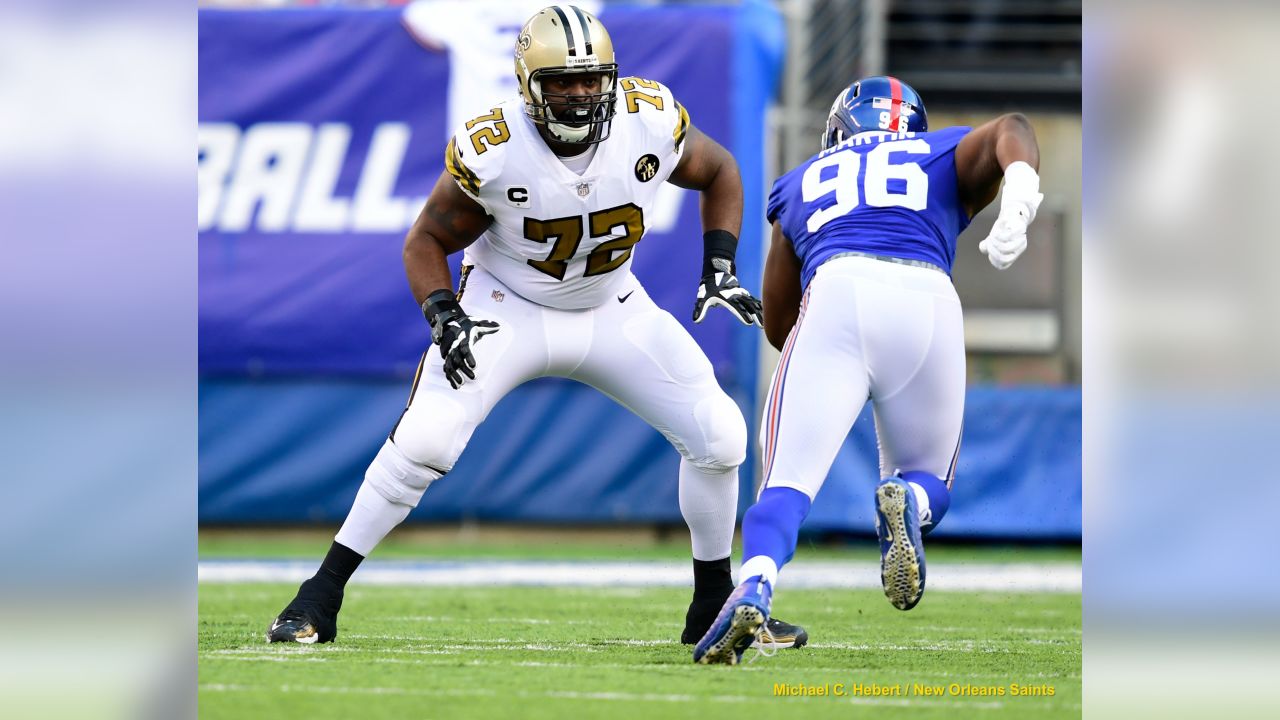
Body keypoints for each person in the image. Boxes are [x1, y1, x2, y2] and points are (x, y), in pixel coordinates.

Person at [267, 4, 807, 650]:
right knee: (428, 440)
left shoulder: (647, 117)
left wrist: (718, 263)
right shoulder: (494, 148)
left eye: (591, 79)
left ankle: (713, 605)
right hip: (507, 305)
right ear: (529, 86)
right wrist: (445, 314)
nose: (579, 95)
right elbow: (425, 240)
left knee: (721, 436)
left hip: (612, 305)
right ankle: (318, 596)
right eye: (561, 82)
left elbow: (719, 170)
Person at [693, 76, 1043, 664]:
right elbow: (1013, 129)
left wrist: (826, 355)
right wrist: (1020, 192)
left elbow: (779, 321)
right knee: (933, 479)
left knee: (784, 484)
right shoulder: (934, 153)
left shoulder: (802, 179)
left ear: (840, 130)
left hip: (837, 291)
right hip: (928, 297)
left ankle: (754, 582)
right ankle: (907, 497)